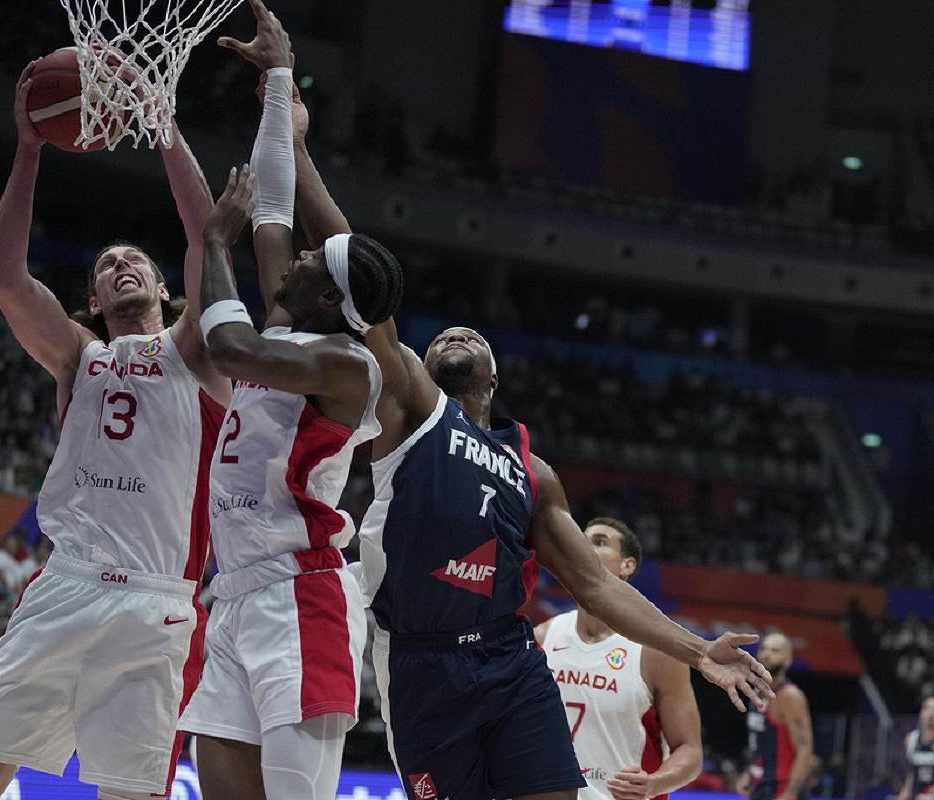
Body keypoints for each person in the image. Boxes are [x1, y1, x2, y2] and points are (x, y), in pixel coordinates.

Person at [279, 76, 773, 800]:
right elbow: (364, 281)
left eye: (468, 334)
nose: (450, 333)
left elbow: (596, 584)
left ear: (493, 376)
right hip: (421, 662)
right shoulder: (416, 407)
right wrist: (294, 148)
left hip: (509, 663)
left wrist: (700, 652)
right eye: (442, 332)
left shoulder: (531, 470)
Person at [0, 48, 231, 800]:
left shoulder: (197, 351)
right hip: (64, 588)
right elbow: (3, 273)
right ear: (93, 300)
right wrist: (29, 150)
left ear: (165, 288)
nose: (122, 264)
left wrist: (162, 124)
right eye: (106, 264)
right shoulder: (78, 357)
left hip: (156, 601)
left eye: (136, 259)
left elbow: (206, 242)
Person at [178, 4, 403, 797]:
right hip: (233, 593)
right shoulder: (293, 324)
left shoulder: (346, 367)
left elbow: (227, 348)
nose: (299, 255)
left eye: (312, 262)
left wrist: (211, 245)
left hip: (299, 595)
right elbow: (273, 204)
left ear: (327, 296)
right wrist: (278, 82)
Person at [534, 518, 703, 800]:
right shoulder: (542, 636)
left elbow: (690, 750)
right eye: (580, 540)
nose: (584, 548)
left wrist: (654, 783)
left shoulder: (656, 651)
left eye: (599, 542)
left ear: (627, 565)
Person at [740, 633, 813, 800]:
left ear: (787, 660)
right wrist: (748, 773)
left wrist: (791, 793)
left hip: (780, 789)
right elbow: (759, 743)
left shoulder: (789, 696)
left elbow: (804, 749)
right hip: (760, 786)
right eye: (764, 649)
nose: (767, 654)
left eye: (775, 650)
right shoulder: (758, 692)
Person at [899, 695, 934, 800]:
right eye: (927, 708)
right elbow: (913, 771)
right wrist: (903, 794)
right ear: (921, 713)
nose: (931, 713)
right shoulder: (911, 739)